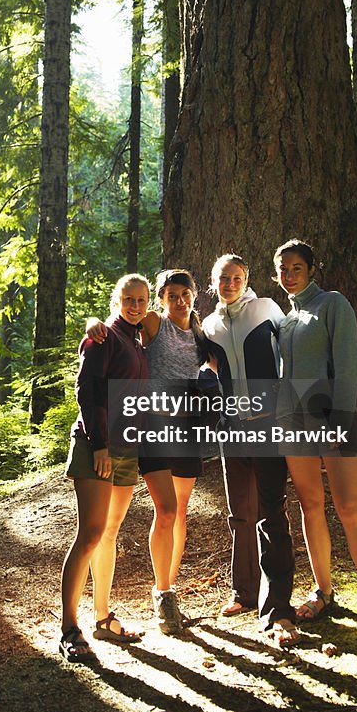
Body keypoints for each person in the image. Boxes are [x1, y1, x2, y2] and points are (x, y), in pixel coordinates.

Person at [273, 239, 357, 643]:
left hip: (332, 421)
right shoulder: (284, 319)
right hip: (293, 423)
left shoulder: (333, 304)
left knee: (349, 506)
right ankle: (323, 592)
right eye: (283, 269)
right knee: (310, 505)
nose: (289, 275)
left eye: (296, 267)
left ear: (311, 269)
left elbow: (348, 365)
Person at [87, 269, 212, 635]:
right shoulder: (155, 322)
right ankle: (147, 598)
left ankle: (165, 593)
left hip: (186, 428)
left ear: (193, 296)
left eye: (184, 293)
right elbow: (119, 326)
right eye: (171, 294)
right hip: (152, 428)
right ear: (161, 299)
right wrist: (95, 322)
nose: (179, 300)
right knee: (165, 508)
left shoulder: (202, 333)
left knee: (179, 513)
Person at [202, 254, 299, 647]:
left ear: (247, 280)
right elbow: (209, 367)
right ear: (214, 282)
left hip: (268, 424)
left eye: (237, 278)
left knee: (271, 512)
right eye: (224, 278)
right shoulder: (208, 324)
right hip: (232, 428)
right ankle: (244, 593)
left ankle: (277, 606)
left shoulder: (267, 309)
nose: (230, 283)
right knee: (239, 512)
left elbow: (291, 354)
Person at [59, 274, 150, 662]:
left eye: (141, 299)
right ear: (116, 300)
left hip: (126, 448)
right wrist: (100, 444)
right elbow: (88, 390)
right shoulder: (103, 337)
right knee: (91, 533)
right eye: (128, 298)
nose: (134, 304)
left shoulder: (136, 338)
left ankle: (102, 617)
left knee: (109, 533)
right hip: (99, 447)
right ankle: (68, 627)